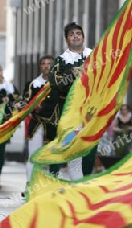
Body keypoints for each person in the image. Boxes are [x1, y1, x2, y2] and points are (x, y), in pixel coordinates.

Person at [48, 22, 95, 180]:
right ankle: (77, 187)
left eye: (78, 33)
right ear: (67, 39)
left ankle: (84, 182)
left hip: (91, 112)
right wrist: (70, 74)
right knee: (73, 150)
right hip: (70, 113)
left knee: (89, 150)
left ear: (83, 37)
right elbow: (54, 82)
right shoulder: (61, 60)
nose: (75, 36)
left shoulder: (95, 55)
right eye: (71, 34)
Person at [22, 55, 59, 197]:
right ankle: (30, 186)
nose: (46, 66)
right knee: (33, 156)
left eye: (49, 63)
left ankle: (52, 186)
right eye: (43, 64)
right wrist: (30, 106)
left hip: (54, 124)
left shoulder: (58, 84)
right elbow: (25, 102)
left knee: (53, 157)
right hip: (37, 124)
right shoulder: (32, 84)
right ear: (40, 66)